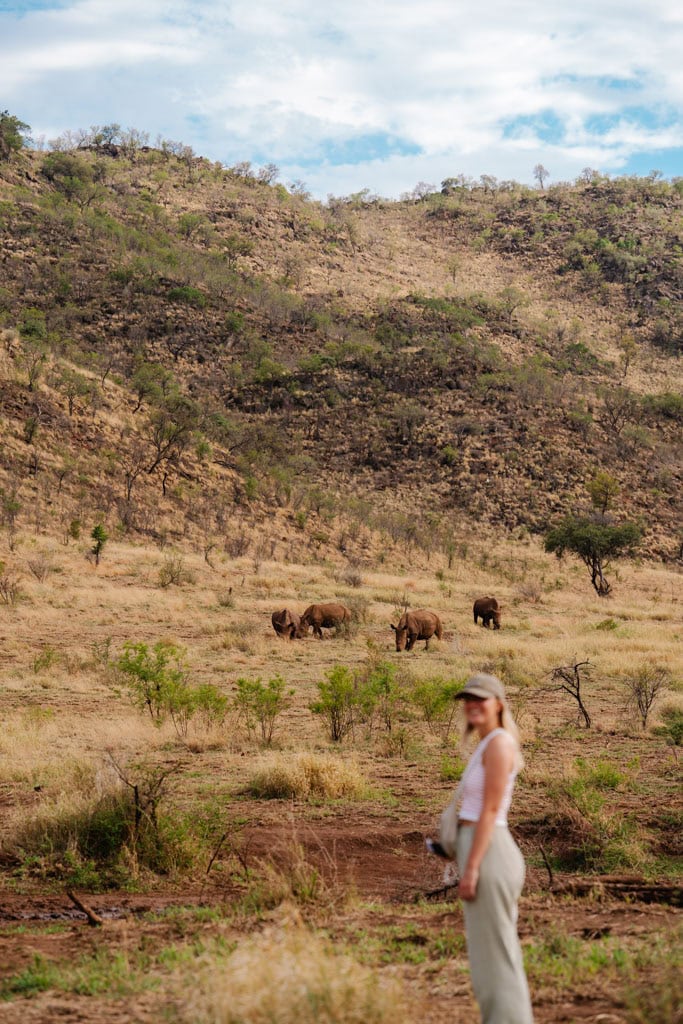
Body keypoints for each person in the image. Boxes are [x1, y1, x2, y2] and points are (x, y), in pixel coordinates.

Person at [453, 672, 533, 1024]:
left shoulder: (499, 743)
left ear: (498, 704)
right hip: (480, 848)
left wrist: (471, 867)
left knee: (497, 957)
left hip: (490, 853)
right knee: (487, 957)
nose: (472, 704)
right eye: (468, 699)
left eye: (480, 699)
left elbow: (490, 809)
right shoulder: (487, 743)